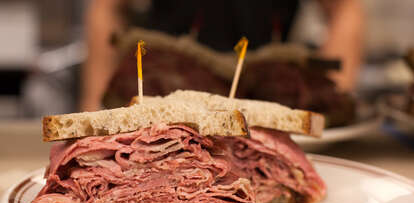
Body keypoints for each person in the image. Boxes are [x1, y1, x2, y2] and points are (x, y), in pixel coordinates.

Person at [80, 0, 364, 111]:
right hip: (160, 93)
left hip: (265, 100)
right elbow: (108, 8)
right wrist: (93, 111)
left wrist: (331, 107)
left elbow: (345, 11)